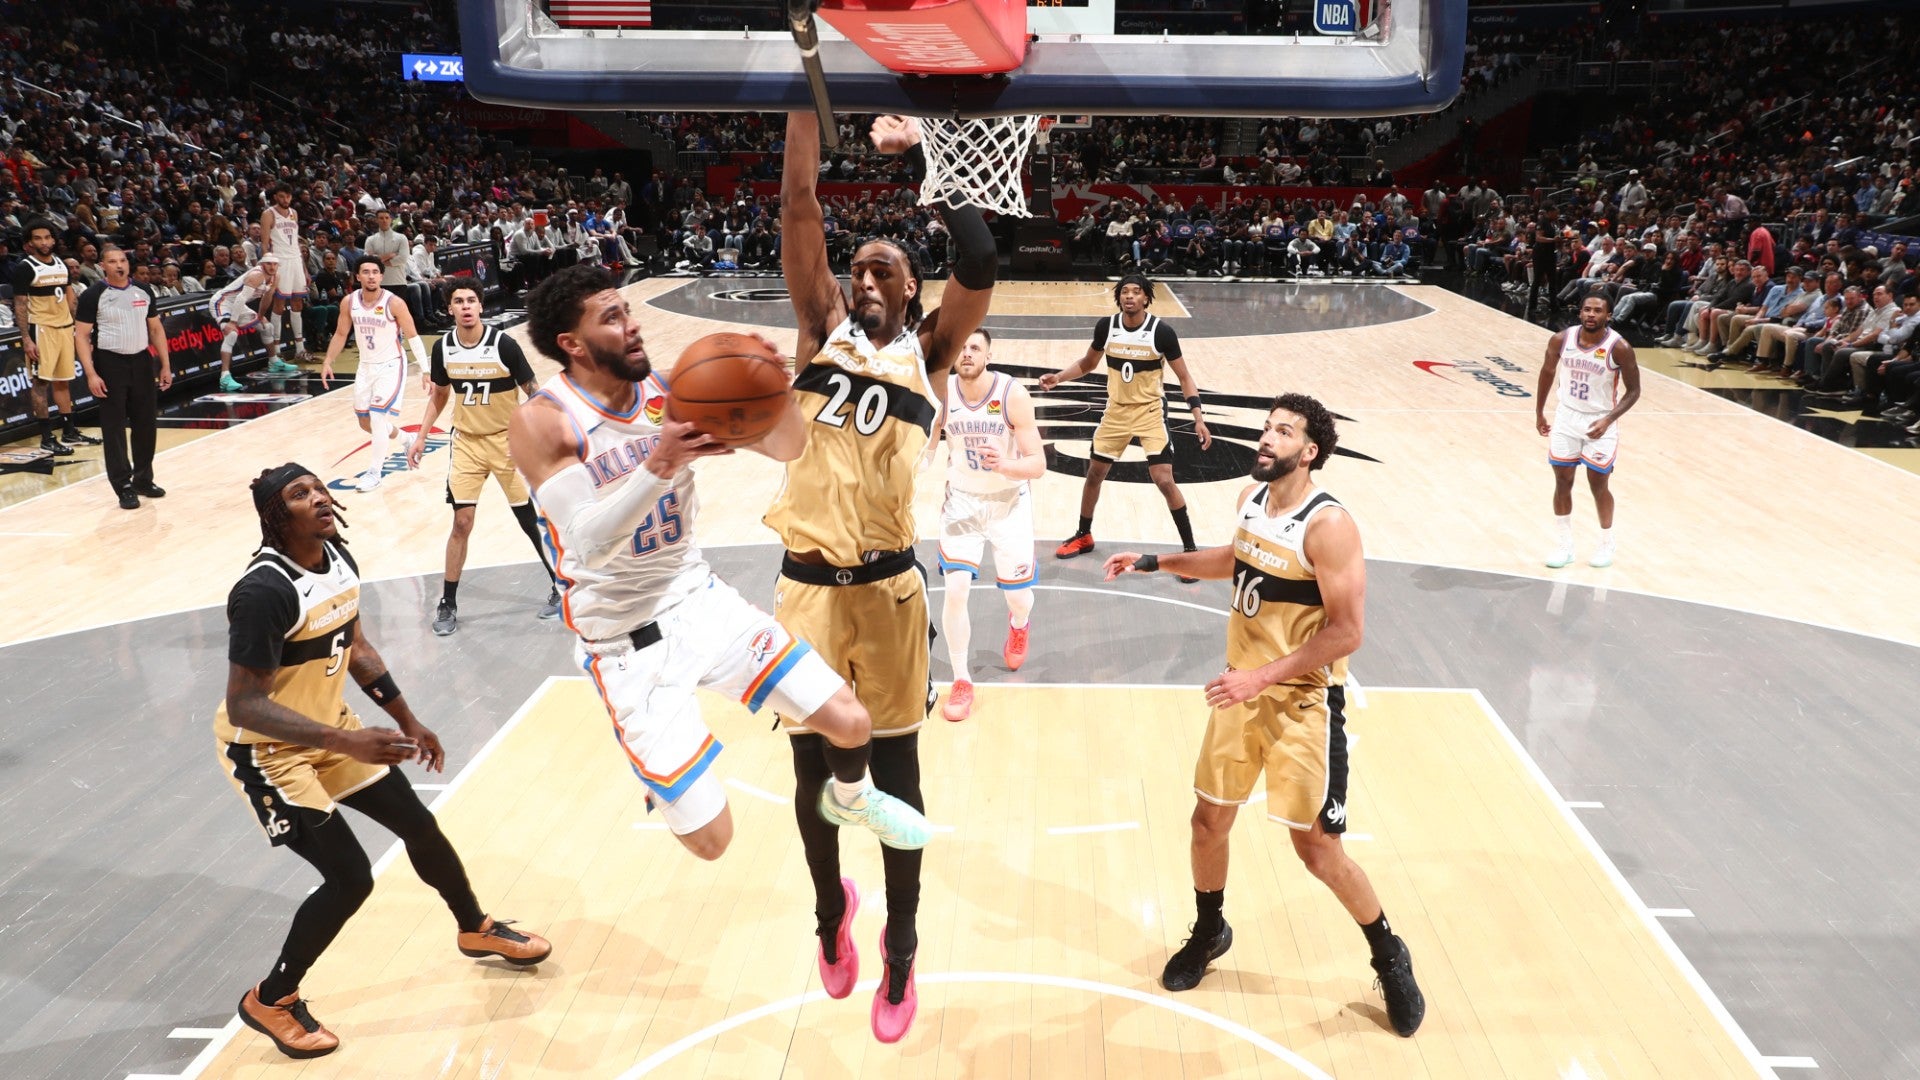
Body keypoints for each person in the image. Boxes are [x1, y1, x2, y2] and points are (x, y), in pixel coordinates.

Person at [505, 262, 928, 867]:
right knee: (712, 843)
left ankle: (853, 798)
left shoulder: (672, 394)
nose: (632, 326)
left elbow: (788, 446)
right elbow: (586, 544)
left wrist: (775, 390)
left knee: (851, 721)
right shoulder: (545, 421)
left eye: (627, 310)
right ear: (571, 345)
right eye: (611, 317)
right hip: (625, 642)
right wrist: (659, 463)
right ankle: (655, 767)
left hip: (699, 600)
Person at [772, 110, 996, 1043]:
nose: (864, 279)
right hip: (805, 586)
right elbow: (797, 203)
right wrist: (799, 95)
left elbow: (979, 264)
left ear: (910, 291)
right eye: (855, 268)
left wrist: (937, 175)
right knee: (809, 768)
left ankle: (902, 948)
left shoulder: (932, 352)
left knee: (897, 776)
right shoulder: (818, 325)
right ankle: (831, 913)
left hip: (892, 591)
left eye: (883, 270)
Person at [1102, 393, 1425, 1038]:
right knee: (1207, 820)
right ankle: (1209, 929)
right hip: (1242, 693)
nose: (1266, 438)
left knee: (1317, 849)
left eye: (1282, 431)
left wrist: (1261, 677)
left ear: (1310, 452)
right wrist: (1157, 560)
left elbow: (1348, 631)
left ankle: (1390, 955)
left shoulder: (1328, 526)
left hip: (1303, 702)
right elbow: (1235, 559)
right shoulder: (1254, 502)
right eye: (1265, 427)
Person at [217, 464, 551, 1059]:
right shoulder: (264, 591)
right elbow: (244, 706)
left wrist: (407, 720)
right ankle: (272, 997)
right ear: (276, 516)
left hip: (331, 730)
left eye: (319, 487)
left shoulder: (338, 558)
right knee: (349, 877)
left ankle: (474, 928)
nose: (319, 497)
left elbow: (357, 647)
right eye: (301, 494)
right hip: (267, 753)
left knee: (420, 826)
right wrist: (346, 742)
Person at [407, 283, 560, 631]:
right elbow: (440, 395)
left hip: (508, 442)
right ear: (450, 309)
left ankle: (559, 584)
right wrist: (420, 436)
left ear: (480, 306)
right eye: (458, 301)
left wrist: (546, 428)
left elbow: (532, 390)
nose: (465, 307)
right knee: (461, 522)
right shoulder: (443, 348)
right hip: (467, 443)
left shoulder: (503, 345)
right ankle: (447, 602)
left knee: (529, 520)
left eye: (471, 301)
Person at [1040, 275, 1212, 578]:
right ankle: (1083, 534)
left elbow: (1184, 377)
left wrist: (1198, 416)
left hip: (1149, 412)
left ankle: (1189, 552)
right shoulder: (1107, 327)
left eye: (1136, 292)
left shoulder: (1162, 332)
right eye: (1125, 292)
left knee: (1163, 480)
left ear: (1146, 298)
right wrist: (1059, 377)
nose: (1130, 296)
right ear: (1119, 298)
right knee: (1094, 473)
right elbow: (1087, 363)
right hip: (1116, 412)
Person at [927, 328, 1044, 722]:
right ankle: (962, 681)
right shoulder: (942, 393)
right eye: (961, 347)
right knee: (956, 589)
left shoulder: (1012, 395)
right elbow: (926, 448)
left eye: (974, 347)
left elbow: (1038, 464)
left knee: (1018, 597)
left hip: (1009, 503)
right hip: (962, 503)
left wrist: (1005, 465)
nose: (966, 353)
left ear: (989, 355)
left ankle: (1019, 623)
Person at [1535, 295, 1641, 569]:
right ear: (1579, 312)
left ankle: (1606, 542)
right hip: (1566, 418)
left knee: (1598, 484)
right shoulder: (1561, 339)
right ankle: (1564, 545)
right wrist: (1539, 412)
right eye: (1586, 309)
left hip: (1599, 420)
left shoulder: (1620, 348)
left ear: (1608, 315)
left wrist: (1608, 420)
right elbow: (1547, 372)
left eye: (1598, 310)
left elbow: (1634, 391)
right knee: (1562, 481)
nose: (1591, 314)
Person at [321, 255, 430, 492]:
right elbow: (341, 334)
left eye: (375, 272)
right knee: (366, 423)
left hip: (391, 364)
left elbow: (413, 336)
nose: (371, 276)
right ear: (357, 276)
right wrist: (328, 360)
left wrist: (425, 369)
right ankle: (406, 439)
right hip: (366, 367)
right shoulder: (349, 302)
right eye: (366, 272)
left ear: (381, 276)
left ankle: (374, 472)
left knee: (378, 416)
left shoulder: (394, 303)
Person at [73, 247, 171, 509]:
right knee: (114, 426)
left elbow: (156, 329)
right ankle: (123, 485)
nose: (119, 266)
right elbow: (81, 336)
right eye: (113, 262)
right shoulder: (94, 295)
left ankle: (143, 478)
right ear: (103, 266)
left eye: (123, 260)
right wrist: (91, 373)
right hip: (109, 363)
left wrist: (165, 365)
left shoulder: (144, 290)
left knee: (145, 423)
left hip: (141, 360)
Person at [9, 219, 99, 454]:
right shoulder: (25, 268)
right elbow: (20, 306)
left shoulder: (61, 263)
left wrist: (79, 329)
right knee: (40, 385)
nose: (44, 242)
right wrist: (26, 339)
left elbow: (70, 298)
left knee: (63, 382)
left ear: (53, 239)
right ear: (29, 243)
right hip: (41, 330)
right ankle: (47, 438)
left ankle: (69, 432)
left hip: (64, 329)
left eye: (47, 237)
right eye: (38, 238)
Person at [209, 255, 280, 392]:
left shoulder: (276, 277)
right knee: (231, 334)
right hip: (223, 302)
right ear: (262, 264)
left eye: (275, 264)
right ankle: (224, 377)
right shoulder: (256, 275)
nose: (272, 267)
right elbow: (240, 299)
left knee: (267, 326)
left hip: (238, 305)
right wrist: (233, 322)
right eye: (269, 264)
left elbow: (267, 297)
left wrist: (260, 316)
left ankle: (274, 362)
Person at [257, 184, 308, 373]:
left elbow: (295, 242)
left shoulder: (294, 212)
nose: (285, 200)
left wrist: (304, 268)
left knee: (297, 304)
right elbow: (263, 244)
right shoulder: (268, 214)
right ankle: (276, 352)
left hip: (295, 260)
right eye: (282, 196)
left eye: (288, 196)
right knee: (278, 305)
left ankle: (300, 349)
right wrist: (268, 267)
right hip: (279, 261)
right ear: (275, 197)